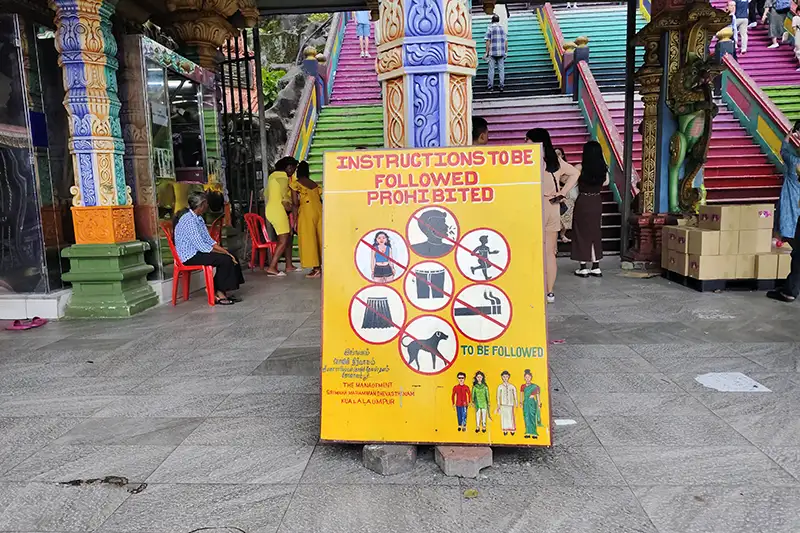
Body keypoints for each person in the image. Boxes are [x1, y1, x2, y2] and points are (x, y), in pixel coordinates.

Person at [525, 128, 580, 304]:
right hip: (552, 206)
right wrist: (563, 192)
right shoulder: (555, 160)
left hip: (535, 206)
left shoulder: (529, 159)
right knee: (550, 253)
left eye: (527, 139)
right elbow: (575, 173)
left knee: (532, 250)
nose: (525, 142)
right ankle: (549, 292)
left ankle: (533, 288)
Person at [173, 191, 244, 305]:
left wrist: (226, 252)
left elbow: (209, 241)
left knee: (232, 255)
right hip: (190, 256)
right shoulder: (189, 221)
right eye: (206, 203)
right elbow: (202, 246)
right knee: (225, 260)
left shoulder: (198, 218)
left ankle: (218, 289)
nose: (207, 205)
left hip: (198, 251)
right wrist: (225, 254)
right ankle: (218, 292)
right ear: (202, 205)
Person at [768, 121, 800, 302]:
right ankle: (790, 287)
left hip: (794, 204)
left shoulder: (794, 162)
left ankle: (790, 291)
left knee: (798, 252)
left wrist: (789, 135)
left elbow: (784, 150)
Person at [572, 141, 609, 277]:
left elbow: (570, 181)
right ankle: (596, 266)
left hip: (583, 200)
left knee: (581, 232)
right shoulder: (603, 168)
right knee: (595, 232)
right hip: (596, 201)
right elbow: (606, 182)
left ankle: (583, 267)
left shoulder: (579, 167)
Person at [264, 156, 298, 276]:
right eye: (293, 168)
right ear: (288, 167)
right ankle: (272, 267)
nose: (293, 171)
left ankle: (289, 265)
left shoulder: (272, 176)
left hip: (271, 209)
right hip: (278, 210)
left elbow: (266, 193)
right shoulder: (283, 177)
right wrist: (293, 207)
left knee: (287, 237)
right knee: (283, 240)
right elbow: (284, 199)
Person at [290, 161, 322, 278]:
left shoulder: (296, 184)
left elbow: (295, 203)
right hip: (319, 210)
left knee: (309, 239)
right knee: (319, 238)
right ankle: (320, 266)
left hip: (306, 211)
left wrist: (294, 220)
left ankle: (316, 268)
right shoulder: (314, 184)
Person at [554, 146, 578, 244]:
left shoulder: (568, 167)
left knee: (566, 215)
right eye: (555, 154)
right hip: (554, 194)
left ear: (563, 155)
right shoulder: (550, 167)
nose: (557, 156)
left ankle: (562, 234)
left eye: (559, 154)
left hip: (566, 194)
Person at [484, 14, 507, 93]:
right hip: (501, 52)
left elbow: (488, 41)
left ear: (492, 20)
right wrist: (506, 52)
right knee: (501, 70)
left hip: (492, 52)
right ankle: (501, 86)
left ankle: (490, 87)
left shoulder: (490, 28)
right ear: (498, 20)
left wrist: (486, 52)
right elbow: (506, 41)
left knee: (491, 70)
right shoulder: (502, 28)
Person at [520, 369, 542, 439]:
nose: (527, 379)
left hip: (532, 403)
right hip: (526, 403)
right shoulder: (523, 386)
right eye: (526, 377)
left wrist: (539, 404)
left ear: (531, 377)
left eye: (528, 377)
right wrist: (521, 402)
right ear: (524, 378)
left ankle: (534, 433)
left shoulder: (535, 386)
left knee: (532, 417)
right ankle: (527, 432)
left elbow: (537, 396)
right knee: (526, 417)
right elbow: (521, 395)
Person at [495, 370, 517, 436]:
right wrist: (498, 404)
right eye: (504, 377)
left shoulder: (512, 386)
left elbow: (515, 394)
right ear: (502, 377)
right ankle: (505, 430)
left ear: (508, 377)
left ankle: (512, 429)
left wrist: (516, 402)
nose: (505, 378)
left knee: (510, 417)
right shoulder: (500, 386)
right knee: (504, 418)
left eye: (506, 376)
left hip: (510, 404)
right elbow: (498, 396)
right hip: (503, 404)